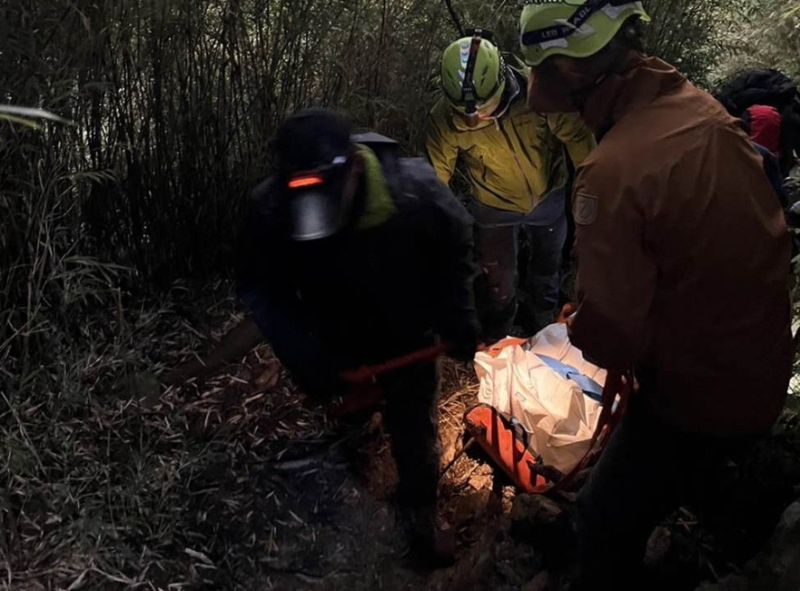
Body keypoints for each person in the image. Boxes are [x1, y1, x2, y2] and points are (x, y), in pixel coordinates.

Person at [518, 1, 792, 588]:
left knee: (602, 520)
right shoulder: (695, 106)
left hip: (700, 395)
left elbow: (613, 338)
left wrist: (580, 321)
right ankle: (713, 502)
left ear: (571, 72)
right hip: (757, 362)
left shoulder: (615, 171)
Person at [236, 108, 480, 565]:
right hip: (334, 327)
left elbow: (456, 244)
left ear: (353, 168)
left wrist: (458, 317)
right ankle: (356, 443)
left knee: (412, 428)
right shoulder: (271, 209)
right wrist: (306, 358)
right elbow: (261, 289)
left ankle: (418, 517)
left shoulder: (414, 192)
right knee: (345, 401)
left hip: (406, 330)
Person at [426, 32, 595, 340]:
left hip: (549, 199)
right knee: (498, 282)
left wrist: (593, 198)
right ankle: (500, 335)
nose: (477, 117)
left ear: (502, 80)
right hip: (493, 206)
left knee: (547, 270)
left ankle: (545, 329)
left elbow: (579, 142)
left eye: (484, 108)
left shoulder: (541, 91)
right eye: (467, 114)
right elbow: (436, 176)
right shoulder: (444, 118)